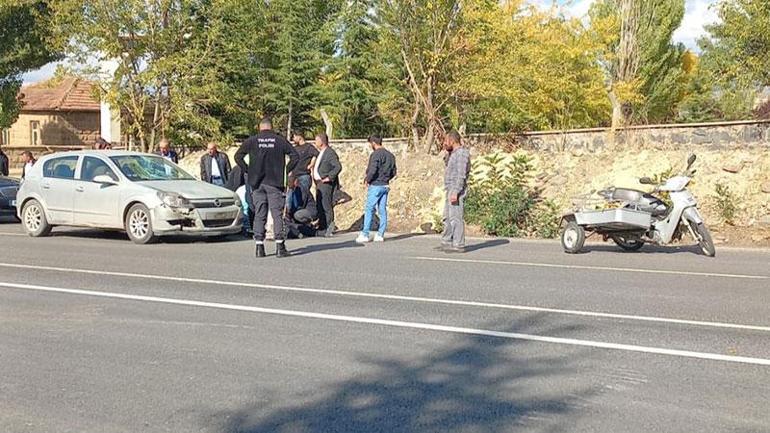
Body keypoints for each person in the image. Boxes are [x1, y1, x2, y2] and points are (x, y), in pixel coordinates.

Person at [235, 117, 299, 258]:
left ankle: (259, 247)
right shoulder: (279, 140)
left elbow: (237, 157)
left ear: (260, 127)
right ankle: (280, 247)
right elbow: (295, 156)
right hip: (275, 182)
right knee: (277, 214)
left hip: (257, 183)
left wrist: (249, 170)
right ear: (271, 127)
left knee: (259, 213)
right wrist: (285, 170)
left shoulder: (252, 140)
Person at [356, 135, 397, 244]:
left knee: (369, 209)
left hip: (376, 185)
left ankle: (365, 233)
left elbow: (373, 169)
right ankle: (380, 234)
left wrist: (367, 179)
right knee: (382, 210)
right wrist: (386, 179)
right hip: (385, 185)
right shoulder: (390, 156)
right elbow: (394, 172)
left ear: (373, 143)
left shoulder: (375, 155)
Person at [439, 131, 471, 253]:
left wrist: (456, 191)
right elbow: (448, 165)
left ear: (452, 141)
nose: (444, 143)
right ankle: (446, 241)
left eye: (446, 141)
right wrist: (447, 152)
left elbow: (461, 174)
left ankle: (459, 244)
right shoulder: (453, 154)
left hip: (455, 189)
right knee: (447, 217)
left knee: (455, 217)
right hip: (449, 188)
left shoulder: (462, 154)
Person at [312, 133, 342, 238]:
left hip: (325, 184)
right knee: (320, 205)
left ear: (322, 141)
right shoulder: (321, 153)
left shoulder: (330, 153)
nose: (315, 142)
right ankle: (322, 227)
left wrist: (329, 177)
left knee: (326, 205)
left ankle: (330, 226)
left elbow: (337, 167)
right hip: (319, 184)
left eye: (316, 140)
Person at [287, 131, 318, 213]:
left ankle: (301, 215)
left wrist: (311, 164)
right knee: (291, 198)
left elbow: (316, 154)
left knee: (302, 198)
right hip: (294, 177)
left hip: (304, 175)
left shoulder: (308, 147)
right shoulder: (294, 148)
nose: (293, 139)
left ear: (299, 136)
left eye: (294, 136)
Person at [284, 175, 318, 239]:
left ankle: (311, 223)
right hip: (297, 211)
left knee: (297, 215)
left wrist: (290, 212)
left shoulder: (301, 189)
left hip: (309, 210)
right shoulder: (289, 190)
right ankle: (304, 228)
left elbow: (301, 204)